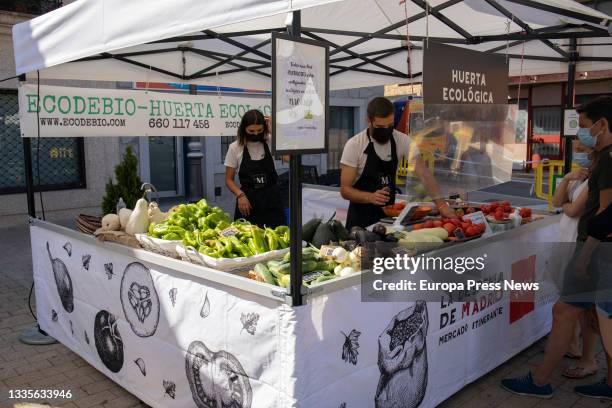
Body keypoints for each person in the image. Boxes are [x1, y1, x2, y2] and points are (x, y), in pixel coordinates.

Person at [501, 96, 612, 399]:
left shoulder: (608, 161)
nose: (583, 136)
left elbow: (605, 217)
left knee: (564, 312)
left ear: (603, 125)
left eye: (587, 127)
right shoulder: (602, 160)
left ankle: (540, 381)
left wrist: (586, 256)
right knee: (596, 315)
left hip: (595, 251)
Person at [340, 97, 457, 229]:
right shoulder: (355, 145)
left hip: (388, 220)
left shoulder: (402, 141)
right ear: (369, 120)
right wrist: (370, 197)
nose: (385, 129)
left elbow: (424, 174)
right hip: (360, 221)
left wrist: (441, 205)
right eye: (380, 126)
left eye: (389, 125)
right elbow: (345, 190)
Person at [550, 133, 599, 379]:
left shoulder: (596, 178)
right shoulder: (578, 174)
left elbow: (572, 209)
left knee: (580, 306)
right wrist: (567, 178)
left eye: (582, 148)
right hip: (566, 241)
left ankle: (587, 359)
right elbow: (557, 201)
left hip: (579, 244)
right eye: (575, 148)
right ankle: (574, 347)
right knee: (574, 303)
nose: (578, 152)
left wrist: (567, 206)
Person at [224, 109, 285, 228]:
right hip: (248, 202)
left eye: (260, 130)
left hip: (271, 199)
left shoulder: (270, 141)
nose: (256, 134)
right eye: (251, 131)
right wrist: (240, 195)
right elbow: (228, 180)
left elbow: (288, 157)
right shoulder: (235, 147)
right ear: (244, 129)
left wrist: (274, 132)